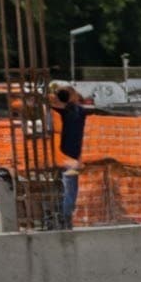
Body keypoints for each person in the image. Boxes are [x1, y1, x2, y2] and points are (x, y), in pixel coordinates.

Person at [50, 83, 92, 228]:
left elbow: (53, 103)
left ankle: (62, 216)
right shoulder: (79, 111)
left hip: (62, 156)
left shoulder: (59, 112)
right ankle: (65, 217)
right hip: (72, 157)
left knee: (64, 188)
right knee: (70, 189)